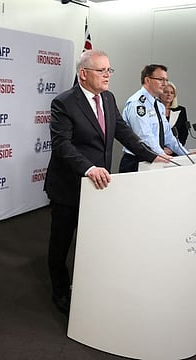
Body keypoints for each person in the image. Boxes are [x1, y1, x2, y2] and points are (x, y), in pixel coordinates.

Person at [44, 50, 167, 316]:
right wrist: (88, 168)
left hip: (99, 188)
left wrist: (153, 155)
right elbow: (61, 144)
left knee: (92, 241)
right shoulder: (63, 102)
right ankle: (60, 291)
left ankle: (89, 287)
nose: (108, 76)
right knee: (61, 244)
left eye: (110, 70)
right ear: (84, 74)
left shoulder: (108, 99)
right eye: (102, 71)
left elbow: (124, 132)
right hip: (69, 186)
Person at [119, 65, 190, 172]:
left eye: (166, 80)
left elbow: (169, 136)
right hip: (137, 161)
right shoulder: (138, 103)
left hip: (156, 159)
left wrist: (186, 155)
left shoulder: (159, 105)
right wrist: (162, 155)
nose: (165, 84)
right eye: (161, 79)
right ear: (147, 80)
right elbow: (144, 136)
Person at [161, 81, 188, 147]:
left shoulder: (181, 110)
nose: (169, 94)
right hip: (157, 151)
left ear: (174, 96)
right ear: (160, 94)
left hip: (176, 150)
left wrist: (173, 149)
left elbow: (184, 132)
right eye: (165, 92)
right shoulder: (153, 110)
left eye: (172, 93)